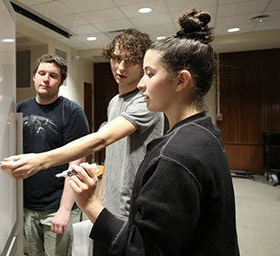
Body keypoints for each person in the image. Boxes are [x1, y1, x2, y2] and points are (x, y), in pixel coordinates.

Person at [68, 8, 240, 256]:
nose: (141, 83)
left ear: (181, 81)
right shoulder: (205, 133)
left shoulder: (174, 156)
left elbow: (141, 249)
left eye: (149, 73)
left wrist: (88, 203)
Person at [1, 29, 164, 254]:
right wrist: (99, 198)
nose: (121, 68)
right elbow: (111, 153)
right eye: (116, 59)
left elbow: (100, 140)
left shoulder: (147, 103)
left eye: (131, 61)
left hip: (134, 211)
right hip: (107, 207)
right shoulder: (114, 102)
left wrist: (40, 161)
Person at [18, 54, 89, 256]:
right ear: (34, 76)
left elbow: (76, 163)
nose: (46, 79)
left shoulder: (72, 112)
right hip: (28, 206)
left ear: (61, 81)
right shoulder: (20, 109)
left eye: (53, 75)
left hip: (57, 207)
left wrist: (65, 209)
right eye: (41, 73)